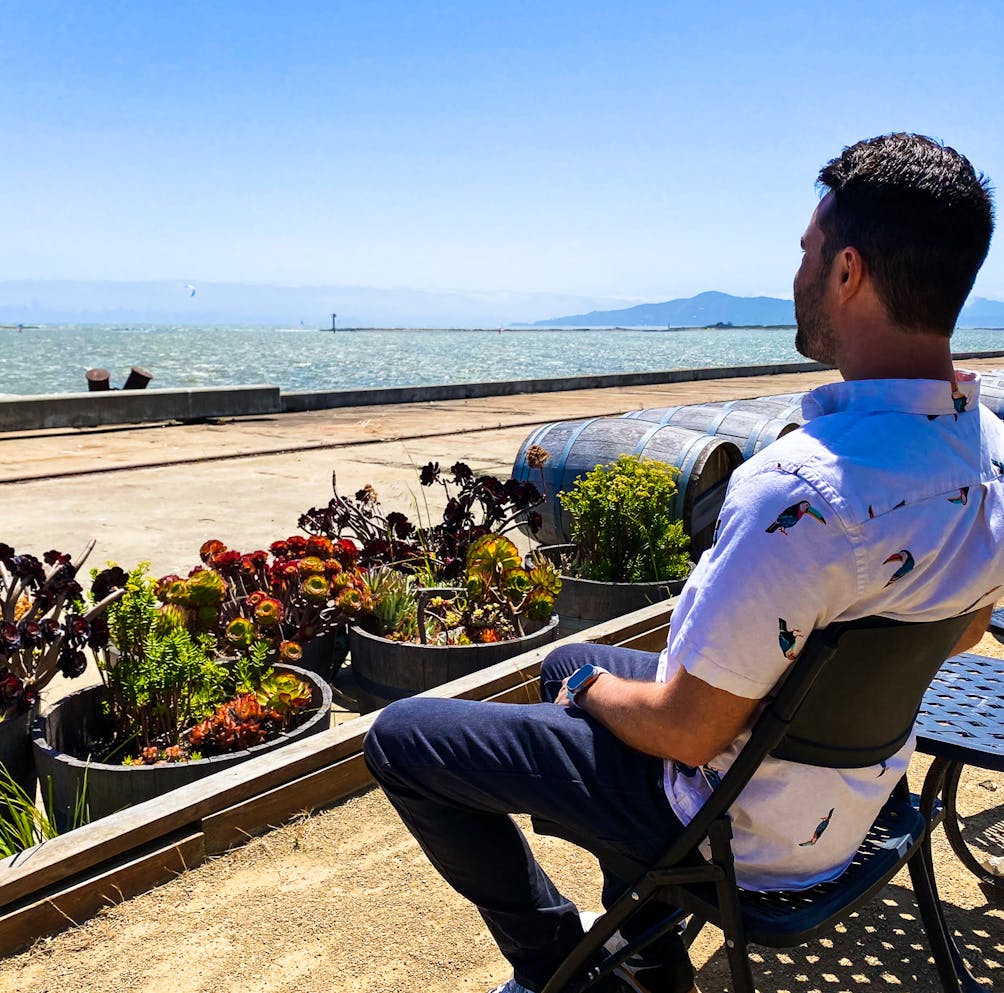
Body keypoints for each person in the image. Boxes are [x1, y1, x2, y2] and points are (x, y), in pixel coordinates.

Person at [363, 133, 1002, 993]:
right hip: (853, 798)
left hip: (739, 822)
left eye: (807, 252)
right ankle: (651, 954)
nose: (797, 275)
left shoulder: (803, 491)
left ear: (849, 272)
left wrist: (587, 693)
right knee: (564, 656)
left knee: (403, 737)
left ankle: (561, 962)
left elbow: (688, 731)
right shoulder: (988, 456)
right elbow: (961, 632)